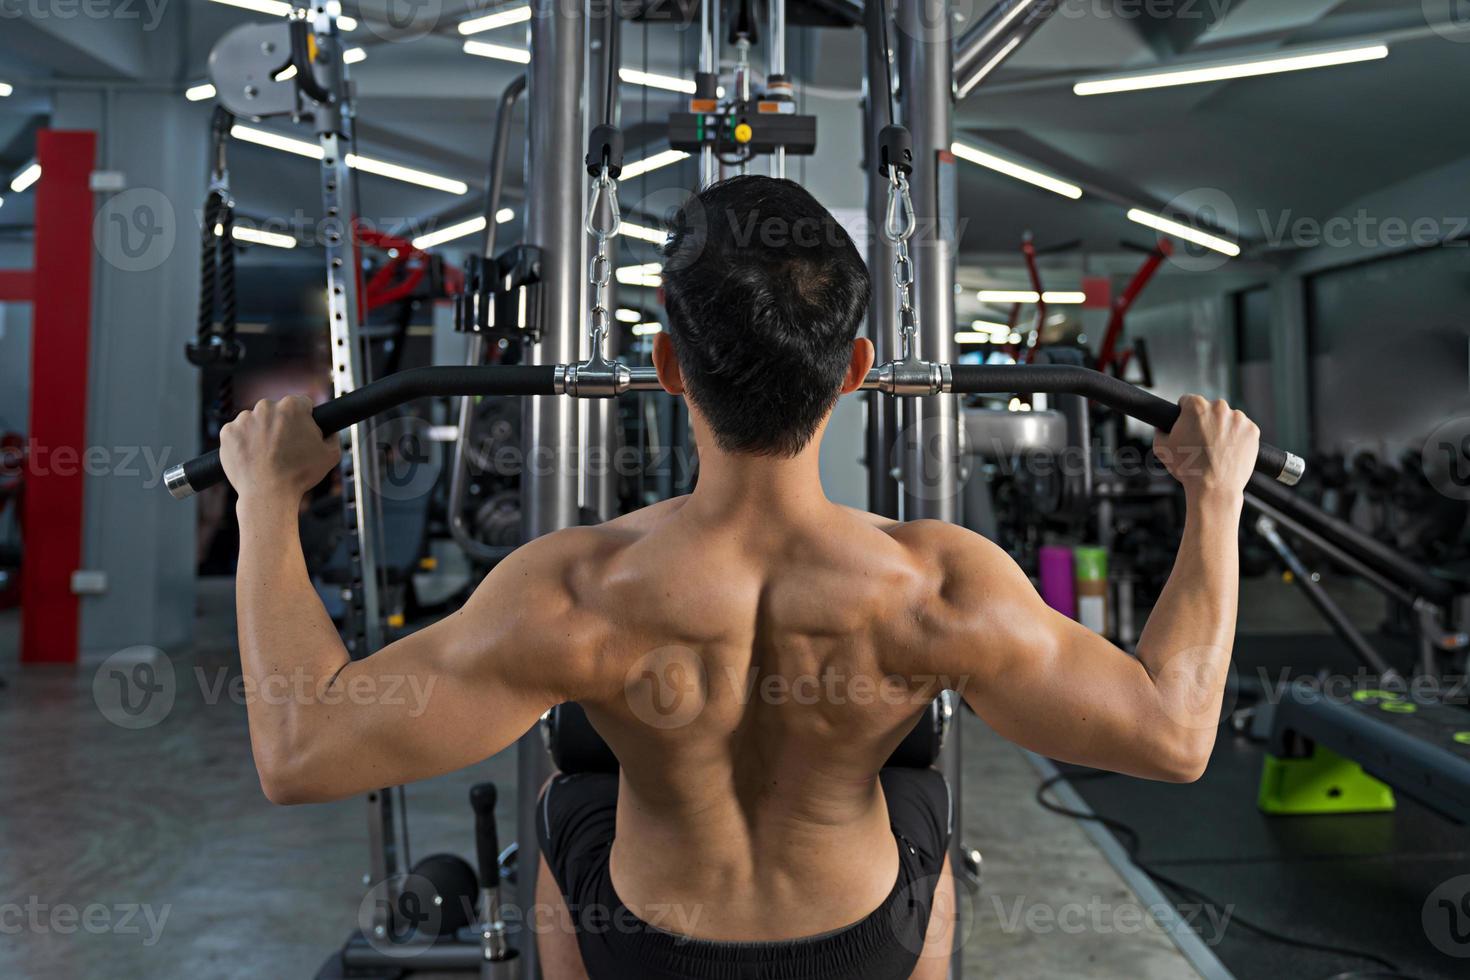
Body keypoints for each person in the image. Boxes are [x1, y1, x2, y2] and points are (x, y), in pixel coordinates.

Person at [220, 175, 1260, 980]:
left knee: (569, 794)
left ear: (670, 366)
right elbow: (1171, 735)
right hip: (862, 947)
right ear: (854, 370)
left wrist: (267, 499)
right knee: (921, 792)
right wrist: (1215, 497)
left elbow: (301, 747)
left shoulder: (572, 590)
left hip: (644, 946)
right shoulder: (941, 585)